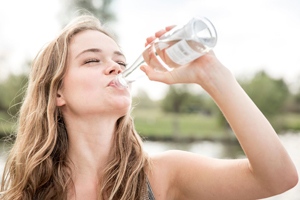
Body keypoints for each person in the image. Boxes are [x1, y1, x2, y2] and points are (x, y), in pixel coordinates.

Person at [0, 14, 298, 200]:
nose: (114, 68)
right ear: (57, 92)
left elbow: (277, 178)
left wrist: (212, 75)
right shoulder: (22, 192)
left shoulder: (163, 176)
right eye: (92, 60)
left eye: (120, 62)